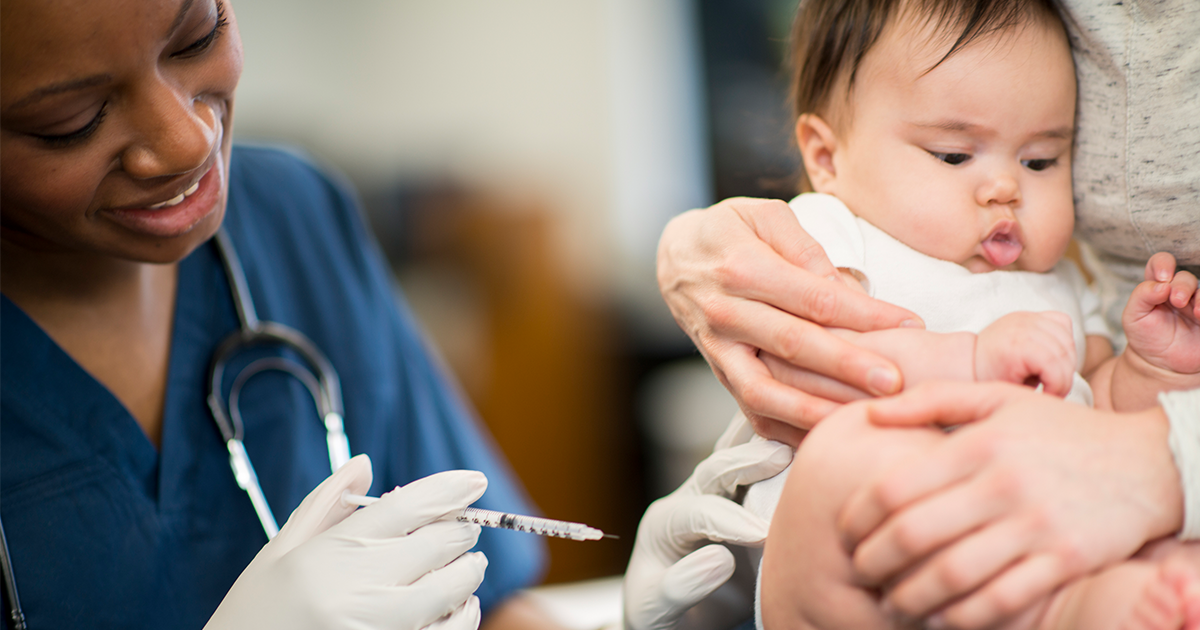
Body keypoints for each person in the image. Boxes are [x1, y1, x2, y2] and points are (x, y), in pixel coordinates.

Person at [0, 1, 612, 628]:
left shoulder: (294, 217)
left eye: (197, 38)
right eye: (69, 120)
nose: (189, 140)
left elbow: (494, 607)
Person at [647, 0, 1200, 627]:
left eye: (1040, 161)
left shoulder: (1059, 282)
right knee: (849, 457)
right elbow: (819, 363)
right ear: (827, 159)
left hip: (1031, 543)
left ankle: (1099, 606)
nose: (1005, 188)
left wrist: (1153, 373)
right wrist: (973, 360)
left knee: (1156, 543)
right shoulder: (832, 239)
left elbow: (1097, 408)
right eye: (954, 155)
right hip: (864, 560)